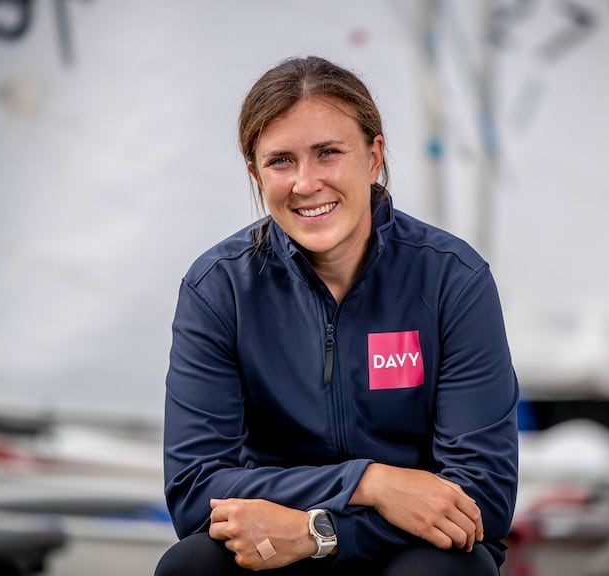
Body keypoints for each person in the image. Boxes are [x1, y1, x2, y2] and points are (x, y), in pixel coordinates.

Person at [155, 55, 519, 576]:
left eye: (328, 153)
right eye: (281, 161)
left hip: (411, 547)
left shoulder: (452, 279)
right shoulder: (220, 288)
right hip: (272, 541)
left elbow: (483, 496)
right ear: (256, 174)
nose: (306, 183)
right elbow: (195, 490)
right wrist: (369, 482)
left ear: (373, 158)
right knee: (192, 566)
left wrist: (320, 534)